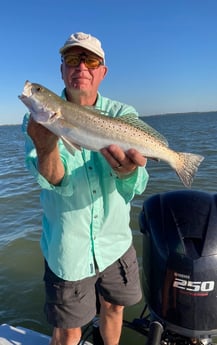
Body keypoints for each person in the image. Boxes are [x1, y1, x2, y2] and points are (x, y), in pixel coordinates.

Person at [22, 32, 149, 345]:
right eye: (72, 59)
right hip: (69, 250)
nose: (81, 66)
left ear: (102, 71)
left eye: (90, 60)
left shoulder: (123, 114)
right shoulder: (37, 121)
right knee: (67, 330)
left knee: (114, 307)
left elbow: (139, 182)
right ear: (62, 70)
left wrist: (128, 171)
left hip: (116, 243)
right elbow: (52, 178)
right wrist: (46, 145)